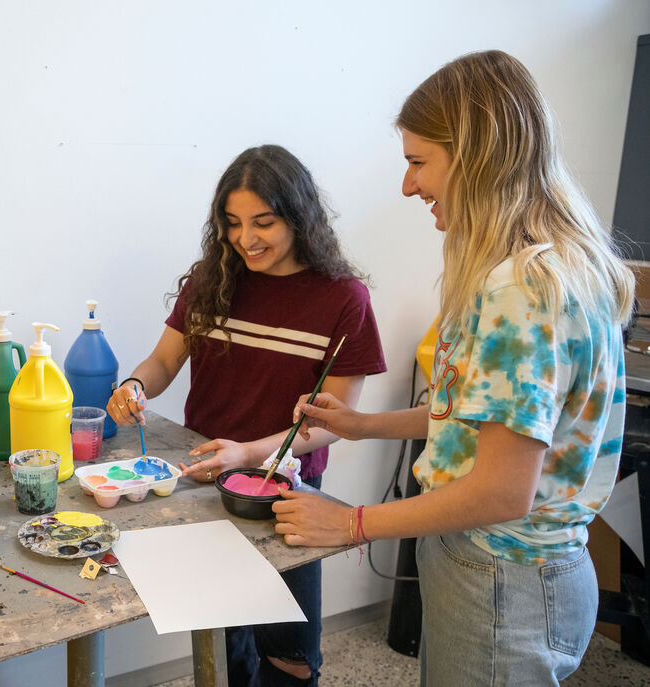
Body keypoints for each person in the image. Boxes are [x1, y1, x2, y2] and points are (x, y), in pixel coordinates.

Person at [274, 50, 635, 685]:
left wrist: (351, 523)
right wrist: (364, 426)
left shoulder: (520, 290)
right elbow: (482, 418)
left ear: (477, 156)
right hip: (511, 573)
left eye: (417, 162)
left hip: (502, 580)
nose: (408, 186)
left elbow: (501, 489)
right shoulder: (546, 268)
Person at [106, 144, 387, 686]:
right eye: (232, 223)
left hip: (288, 491)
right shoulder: (212, 280)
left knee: (289, 651)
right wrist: (136, 385)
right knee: (222, 631)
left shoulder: (343, 299)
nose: (246, 239)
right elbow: (165, 359)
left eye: (264, 222)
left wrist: (250, 453)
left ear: (299, 217)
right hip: (204, 476)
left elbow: (335, 418)